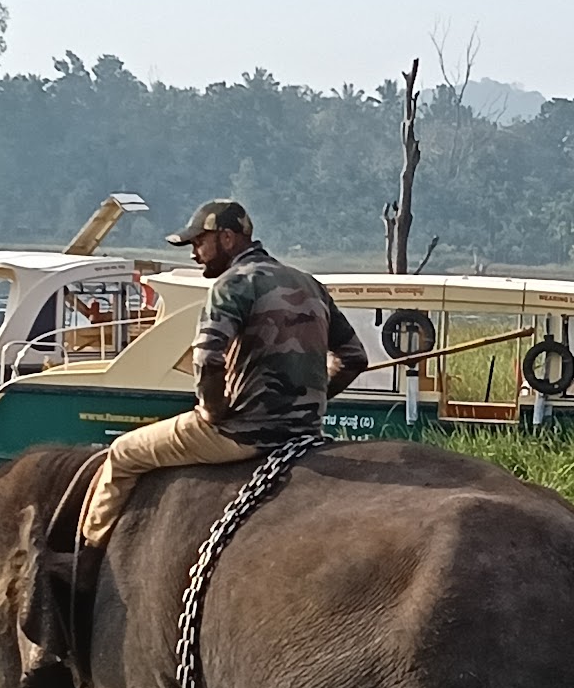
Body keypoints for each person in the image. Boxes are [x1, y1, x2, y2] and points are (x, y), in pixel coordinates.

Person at [76, 199, 369, 560]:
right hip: (305, 431)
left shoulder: (233, 285)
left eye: (199, 242)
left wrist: (213, 412)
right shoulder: (309, 283)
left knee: (123, 453)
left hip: (244, 434)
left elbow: (208, 358)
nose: (195, 254)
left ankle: (87, 559)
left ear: (228, 238)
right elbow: (355, 357)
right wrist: (309, 401)